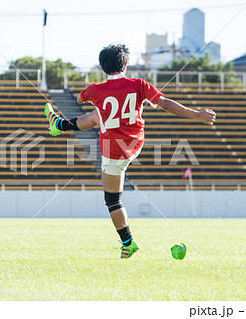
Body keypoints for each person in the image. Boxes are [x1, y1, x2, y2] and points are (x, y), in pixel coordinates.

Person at [44, 44, 216, 259]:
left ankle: (128, 242)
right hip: (135, 142)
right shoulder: (139, 84)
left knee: (112, 200)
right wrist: (197, 114)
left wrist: (89, 94)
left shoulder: (95, 89)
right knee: (98, 116)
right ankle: (59, 126)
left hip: (114, 151)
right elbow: (165, 104)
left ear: (102, 66)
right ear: (125, 64)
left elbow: (79, 99)